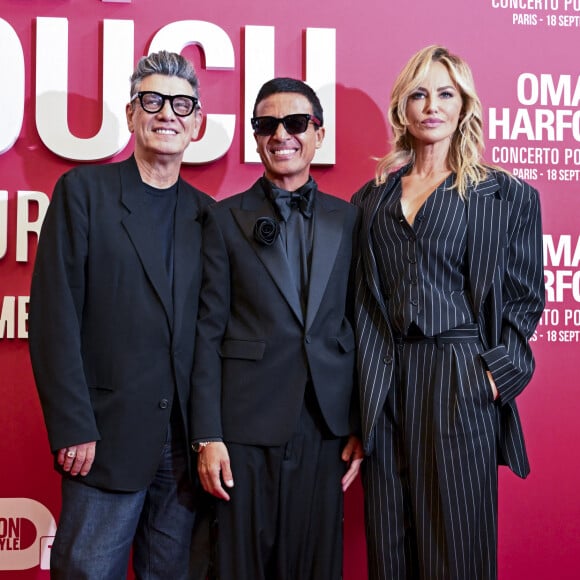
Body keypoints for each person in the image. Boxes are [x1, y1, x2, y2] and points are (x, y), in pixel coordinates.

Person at [352, 45, 545, 580]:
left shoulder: (504, 195)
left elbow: (526, 298)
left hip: (461, 376)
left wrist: (493, 378)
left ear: (463, 106)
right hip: (387, 384)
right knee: (389, 544)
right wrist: (362, 400)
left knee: (456, 547)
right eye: (419, 94)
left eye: (445, 93)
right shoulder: (371, 199)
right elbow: (364, 305)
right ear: (402, 109)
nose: (431, 105)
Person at [28, 50, 213, 579]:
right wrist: (72, 425)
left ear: (197, 124)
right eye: (152, 100)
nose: (167, 114)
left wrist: (209, 433)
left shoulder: (208, 216)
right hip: (102, 440)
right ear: (131, 114)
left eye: (182, 104)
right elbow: (53, 317)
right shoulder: (84, 194)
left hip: (183, 449)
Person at [191, 77, 364, 579]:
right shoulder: (222, 220)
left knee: (315, 568)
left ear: (319, 134)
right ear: (254, 136)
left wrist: (358, 422)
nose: (281, 134)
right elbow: (206, 332)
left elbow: (357, 324)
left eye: (295, 123)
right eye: (267, 125)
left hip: (324, 429)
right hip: (242, 431)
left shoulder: (351, 220)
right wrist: (207, 435)